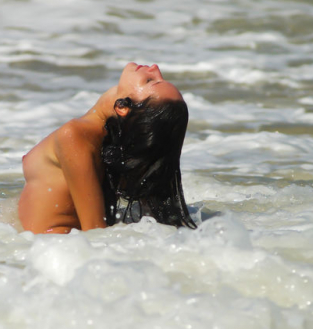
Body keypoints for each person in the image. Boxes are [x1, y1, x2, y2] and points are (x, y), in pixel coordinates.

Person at [18, 62, 196, 233]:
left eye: (149, 81)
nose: (155, 68)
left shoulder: (75, 136)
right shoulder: (112, 145)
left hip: (50, 252)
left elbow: (94, 232)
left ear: (123, 108)